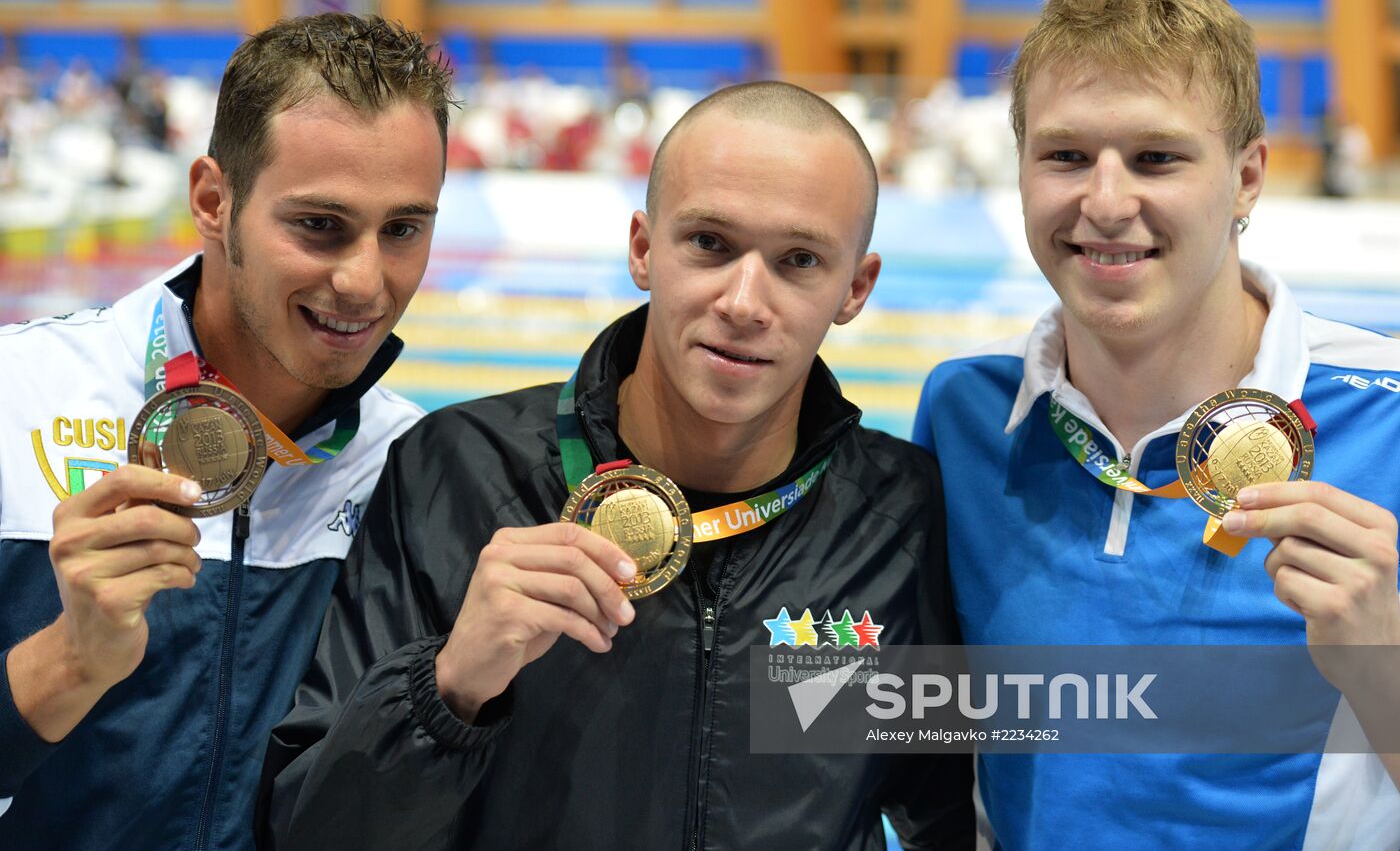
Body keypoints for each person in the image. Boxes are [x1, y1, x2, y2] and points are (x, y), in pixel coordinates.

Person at [260, 81, 974, 849]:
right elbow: (309, 833)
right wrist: (448, 689)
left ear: (855, 288)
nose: (743, 300)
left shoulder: (899, 520)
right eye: (709, 243)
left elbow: (951, 815)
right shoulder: (457, 472)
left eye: (799, 260)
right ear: (642, 248)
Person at [914, 0, 1400, 849]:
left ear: (1247, 177)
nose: (1105, 202)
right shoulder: (967, 417)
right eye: (1065, 156)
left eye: (1156, 158)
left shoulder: (1391, 419)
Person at [0, 14, 453, 849]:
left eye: (403, 229)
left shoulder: (418, 470)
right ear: (214, 200)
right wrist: (69, 659)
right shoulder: (15, 396)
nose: (363, 281)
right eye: (319, 225)